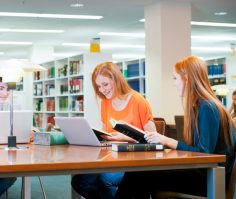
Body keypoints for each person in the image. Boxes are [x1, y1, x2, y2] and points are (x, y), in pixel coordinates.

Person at [114, 55, 236, 199]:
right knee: (139, 174)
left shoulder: (207, 107)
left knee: (139, 174)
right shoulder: (202, 105)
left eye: (175, 78)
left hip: (209, 178)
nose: (174, 83)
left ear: (187, 79)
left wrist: (166, 140)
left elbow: (204, 153)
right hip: (205, 174)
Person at [71, 62, 156, 199]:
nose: (102, 90)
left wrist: (124, 138)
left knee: (105, 180)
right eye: (98, 86)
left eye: (105, 84)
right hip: (112, 157)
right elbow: (107, 134)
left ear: (116, 79)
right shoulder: (106, 102)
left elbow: (154, 139)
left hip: (135, 160)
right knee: (80, 181)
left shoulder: (138, 101)